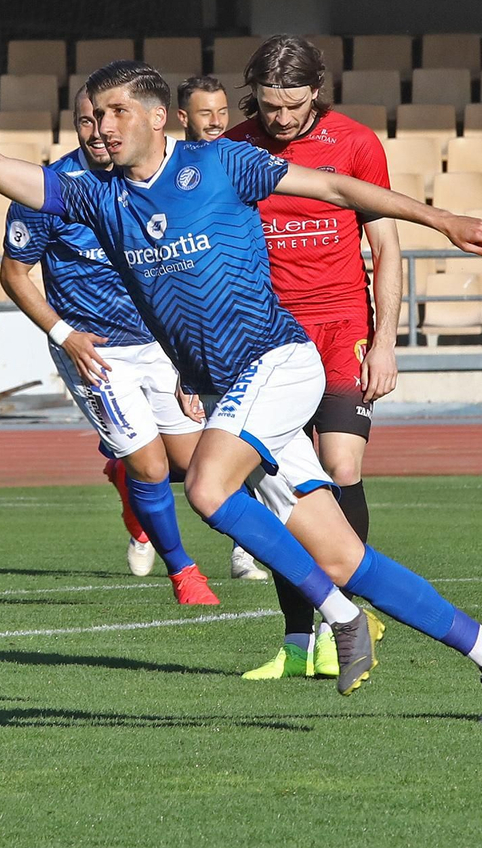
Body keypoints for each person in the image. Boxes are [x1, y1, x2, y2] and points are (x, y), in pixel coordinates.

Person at [0, 0, 482, 719]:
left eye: (113, 112)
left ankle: (339, 617)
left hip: (280, 362)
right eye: (92, 113)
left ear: (156, 117)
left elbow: (335, 186)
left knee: (206, 488)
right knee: (343, 555)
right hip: (235, 386)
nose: (99, 127)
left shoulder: (222, 165)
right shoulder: (92, 197)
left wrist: (440, 218)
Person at [226, 35, 403, 681]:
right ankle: (298, 638)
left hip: (339, 328)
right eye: (270, 106)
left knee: (339, 462)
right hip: (267, 334)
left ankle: (348, 618)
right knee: (278, 485)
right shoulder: (235, 148)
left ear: (315, 91)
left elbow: (385, 246)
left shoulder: (355, 144)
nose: (281, 118)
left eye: (293, 105)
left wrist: (384, 340)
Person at [0, 87, 218, 604]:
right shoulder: (49, 190)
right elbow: (13, 275)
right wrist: (64, 335)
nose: (97, 131)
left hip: (159, 344)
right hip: (93, 352)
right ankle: (184, 572)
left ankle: (122, 468)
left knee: (197, 466)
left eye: (106, 118)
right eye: (85, 121)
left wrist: (188, 357)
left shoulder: (150, 183)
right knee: (152, 467)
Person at [173, 74, 269, 582]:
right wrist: (180, 366)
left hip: (257, 332)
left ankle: (258, 549)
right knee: (231, 457)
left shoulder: (238, 163)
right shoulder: (164, 175)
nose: (216, 121)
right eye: (204, 113)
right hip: (204, 347)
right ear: (181, 117)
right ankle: (248, 547)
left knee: (264, 450)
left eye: (222, 111)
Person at [176, 75, 231, 144]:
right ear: (183, 117)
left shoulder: (242, 152)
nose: (216, 122)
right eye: (206, 114)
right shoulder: (169, 154)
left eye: (222, 112)